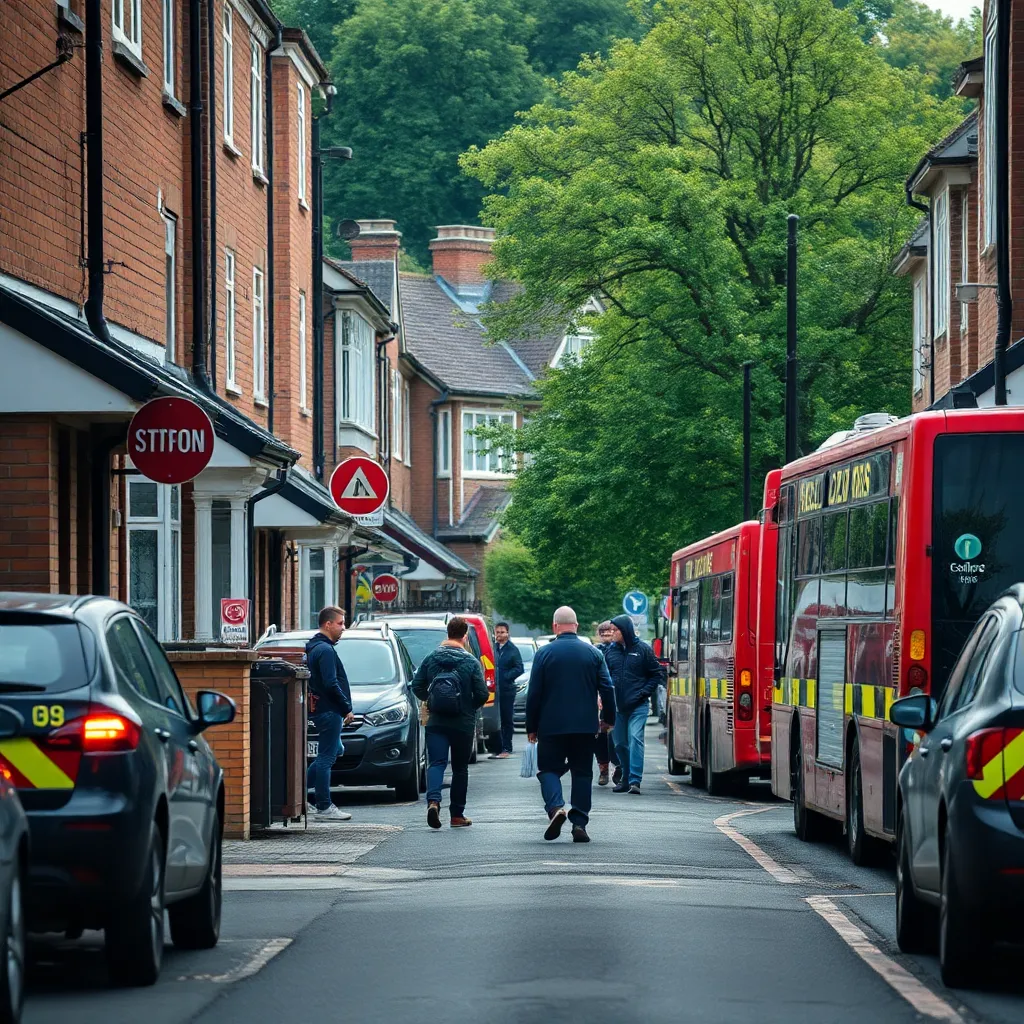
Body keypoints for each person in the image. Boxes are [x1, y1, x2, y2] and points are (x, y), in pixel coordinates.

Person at [526, 606, 615, 843]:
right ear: (576, 625)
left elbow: (533, 693)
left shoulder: (544, 654)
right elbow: (607, 688)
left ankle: (556, 808)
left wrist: (531, 727)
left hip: (551, 725)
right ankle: (579, 823)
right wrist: (608, 719)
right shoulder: (594, 654)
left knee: (548, 770)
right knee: (583, 773)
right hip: (585, 726)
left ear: (555, 626)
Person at [412, 617, 489, 829]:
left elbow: (416, 686)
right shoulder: (471, 662)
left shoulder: (431, 658)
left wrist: (430, 700)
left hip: (436, 721)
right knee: (460, 768)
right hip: (462, 723)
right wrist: (468, 706)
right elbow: (482, 693)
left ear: (447, 633)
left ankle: (433, 802)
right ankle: (457, 815)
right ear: (464, 636)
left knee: (436, 763)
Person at [605, 614, 666, 794]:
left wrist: (643, 693)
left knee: (635, 738)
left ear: (625, 630)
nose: (612, 633)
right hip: (617, 706)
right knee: (620, 744)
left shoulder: (643, 650)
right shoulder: (611, 652)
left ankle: (634, 781)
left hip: (638, 705)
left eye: (615, 630)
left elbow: (656, 674)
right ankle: (625, 776)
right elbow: (604, 676)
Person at [305, 606, 355, 821]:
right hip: (329, 710)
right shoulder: (324, 650)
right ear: (328, 624)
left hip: (325, 709)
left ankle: (298, 795)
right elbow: (330, 683)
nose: (343, 628)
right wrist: (346, 707)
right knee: (326, 757)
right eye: (341, 623)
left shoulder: (318, 647)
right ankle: (324, 806)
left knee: (333, 751)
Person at [490, 622, 524, 759]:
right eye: (497, 632)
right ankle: (497, 748)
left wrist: (506, 677)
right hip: (494, 689)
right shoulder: (494, 648)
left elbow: (519, 668)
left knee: (506, 719)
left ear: (508, 633)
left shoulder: (512, 649)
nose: (499, 635)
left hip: (507, 690)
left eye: (502, 632)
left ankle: (507, 748)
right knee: (495, 719)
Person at [594, 621, 621, 787]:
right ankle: (604, 769)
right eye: (602, 633)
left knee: (615, 737)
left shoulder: (620, 650)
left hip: (618, 698)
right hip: (600, 699)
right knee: (600, 736)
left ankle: (619, 766)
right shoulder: (595, 651)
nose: (605, 636)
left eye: (608, 632)